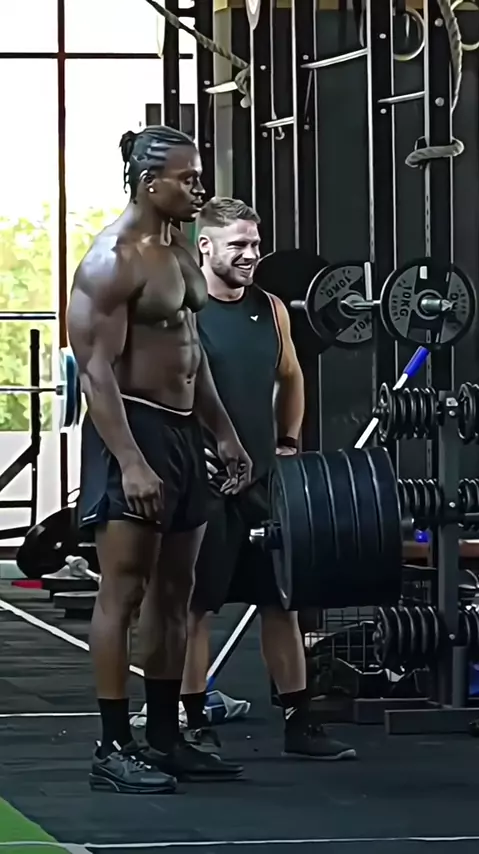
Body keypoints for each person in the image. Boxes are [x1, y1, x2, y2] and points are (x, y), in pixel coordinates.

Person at [67, 128, 253, 795]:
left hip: (182, 433)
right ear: (150, 184)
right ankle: (112, 747)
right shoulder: (112, 259)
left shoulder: (176, 250)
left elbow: (190, 354)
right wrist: (131, 462)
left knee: (178, 591)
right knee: (123, 592)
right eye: (188, 178)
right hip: (132, 431)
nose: (200, 189)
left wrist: (224, 433)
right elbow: (95, 372)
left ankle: (167, 737)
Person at [180, 197, 357, 762]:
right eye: (237, 244)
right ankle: (193, 724)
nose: (250, 254)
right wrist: (189, 453)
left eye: (255, 244)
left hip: (264, 484)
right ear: (205, 245)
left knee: (283, 605)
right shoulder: (182, 308)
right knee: (195, 607)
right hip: (206, 485)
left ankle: (300, 723)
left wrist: (288, 441)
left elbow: (291, 375)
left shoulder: (272, 308)